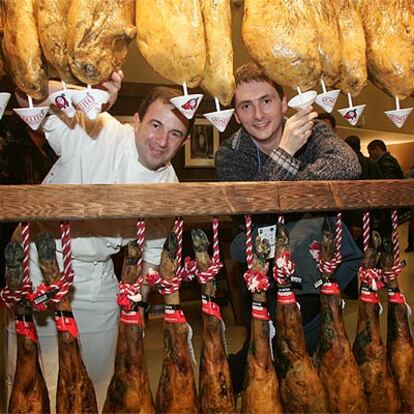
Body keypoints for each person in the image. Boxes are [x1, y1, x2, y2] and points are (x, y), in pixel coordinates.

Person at [6, 71, 194, 411]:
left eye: (175, 133)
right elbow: (26, 94)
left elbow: (151, 260)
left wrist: (137, 302)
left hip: (95, 280)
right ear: (136, 121)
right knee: (36, 383)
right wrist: (84, 94)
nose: (162, 140)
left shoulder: (169, 186)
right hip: (37, 264)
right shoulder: (98, 129)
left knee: (96, 386)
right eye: (155, 125)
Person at [215, 62, 362, 393]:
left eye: (266, 101)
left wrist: (282, 182)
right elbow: (254, 211)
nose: (258, 114)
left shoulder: (312, 130)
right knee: (260, 359)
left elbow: (347, 165)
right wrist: (286, 154)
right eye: (246, 106)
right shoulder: (230, 154)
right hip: (260, 273)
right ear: (236, 115)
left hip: (313, 275)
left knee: (310, 362)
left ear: (284, 102)